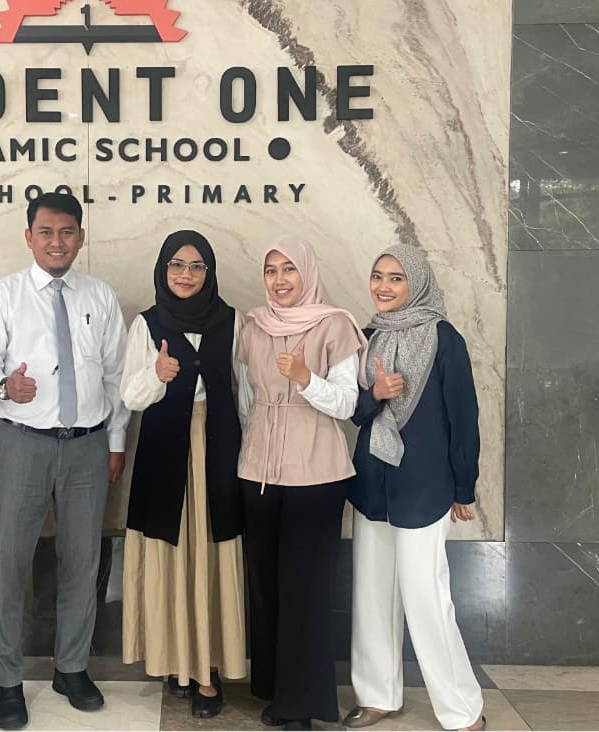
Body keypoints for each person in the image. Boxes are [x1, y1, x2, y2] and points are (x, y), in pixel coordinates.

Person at [0, 191, 131, 730]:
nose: (56, 242)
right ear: (29, 236)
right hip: (24, 444)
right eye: (46, 232)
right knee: (9, 564)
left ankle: (72, 668)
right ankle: (7, 680)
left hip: (87, 446)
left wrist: (115, 442)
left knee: (82, 562)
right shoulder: (4, 295)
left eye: (66, 232)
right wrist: (2, 386)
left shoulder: (99, 295)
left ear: (81, 237)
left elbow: (116, 375)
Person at [342, 245, 485, 731]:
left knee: (426, 595)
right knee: (372, 593)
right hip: (373, 481)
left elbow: (463, 417)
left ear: (417, 283)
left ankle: (461, 708)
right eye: (377, 276)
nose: (383, 286)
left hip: (424, 485)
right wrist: (375, 395)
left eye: (396, 278)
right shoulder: (367, 337)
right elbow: (354, 412)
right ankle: (377, 694)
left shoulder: (445, 339)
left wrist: (464, 488)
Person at [235, 236, 368, 731]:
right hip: (259, 472)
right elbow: (246, 399)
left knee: (305, 588)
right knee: (266, 583)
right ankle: (274, 687)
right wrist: (251, 451)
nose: (279, 280)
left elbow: (348, 404)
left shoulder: (335, 324)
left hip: (316, 473)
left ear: (307, 272)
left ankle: (302, 704)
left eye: (289, 269)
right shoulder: (253, 326)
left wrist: (306, 378)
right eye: (271, 270)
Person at [120, 230, 246, 719]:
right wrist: (157, 375)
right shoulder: (147, 324)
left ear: (209, 272)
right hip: (163, 450)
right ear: (163, 270)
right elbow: (130, 396)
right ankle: (176, 661)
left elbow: (246, 394)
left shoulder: (232, 322)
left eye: (196, 266)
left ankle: (208, 673)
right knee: (170, 552)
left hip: (216, 447)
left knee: (210, 549)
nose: (186, 275)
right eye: (177, 265)